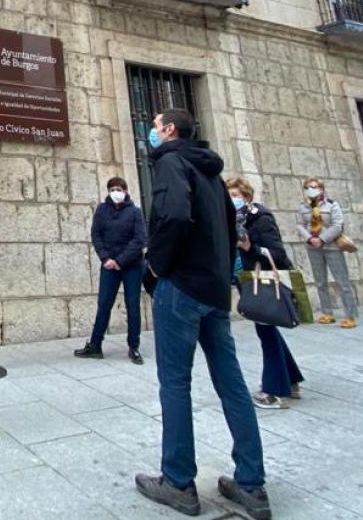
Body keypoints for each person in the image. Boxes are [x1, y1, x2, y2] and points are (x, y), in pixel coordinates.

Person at [135, 110, 271, 520]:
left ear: (170, 130)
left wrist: (156, 265)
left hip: (181, 287)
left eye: (156, 128)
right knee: (231, 383)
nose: (152, 134)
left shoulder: (172, 162)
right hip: (213, 290)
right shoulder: (209, 171)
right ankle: (251, 484)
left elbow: (174, 216)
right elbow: (230, 233)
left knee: (174, 383)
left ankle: (177, 482)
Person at [229, 177, 305, 411]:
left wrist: (250, 248)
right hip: (246, 281)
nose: (232, 199)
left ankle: (274, 391)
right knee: (268, 330)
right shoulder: (233, 221)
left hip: (261, 282)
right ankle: (291, 381)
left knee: (267, 333)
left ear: (246, 196)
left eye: (235, 194)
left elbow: (277, 253)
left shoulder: (260, 218)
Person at [75, 177, 148, 364]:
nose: (115, 192)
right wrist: (106, 258)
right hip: (108, 265)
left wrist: (119, 261)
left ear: (125, 190)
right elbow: (96, 234)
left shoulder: (135, 212)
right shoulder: (101, 210)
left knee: (132, 305)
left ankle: (134, 346)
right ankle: (95, 345)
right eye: (112, 189)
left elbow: (140, 240)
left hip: (131, 265)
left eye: (118, 189)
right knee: (104, 304)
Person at [296, 177, 358, 328]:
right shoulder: (303, 207)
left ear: (322, 189)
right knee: (320, 281)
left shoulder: (331, 205)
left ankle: (350, 315)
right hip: (313, 247)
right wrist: (310, 238)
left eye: (316, 186)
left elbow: (338, 225)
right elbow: (300, 225)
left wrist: (322, 238)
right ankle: (327, 312)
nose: (312, 189)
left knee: (342, 281)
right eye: (309, 187)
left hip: (331, 246)